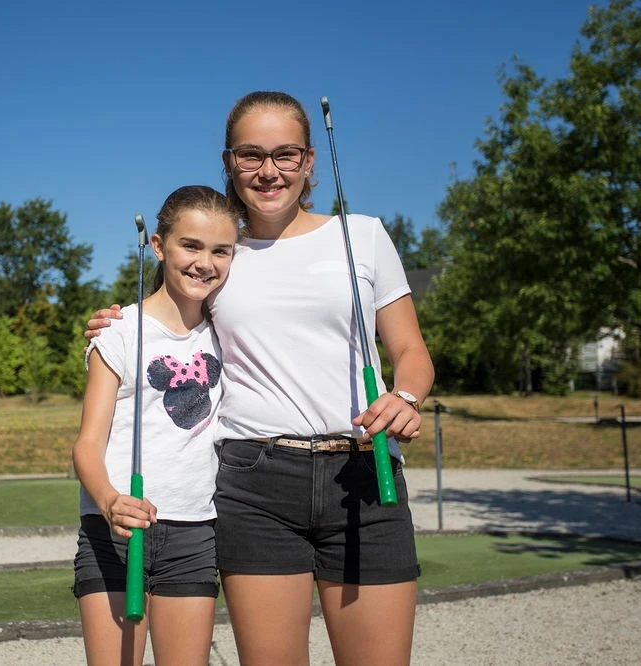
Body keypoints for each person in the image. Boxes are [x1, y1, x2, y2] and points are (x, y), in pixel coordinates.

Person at [85, 91, 435, 665]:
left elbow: (411, 351)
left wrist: (406, 395)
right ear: (228, 162)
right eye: (251, 154)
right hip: (257, 484)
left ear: (310, 161)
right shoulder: (221, 252)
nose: (268, 170)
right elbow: (167, 318)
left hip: (365, 476)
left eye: (285, 154)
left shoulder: (364, 236)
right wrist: (114, 324)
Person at [71, 185, 239, 666]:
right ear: (158, 245)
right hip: (113, 532)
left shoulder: (228, 332)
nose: (204, 262)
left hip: (195, 532)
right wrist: (109, 503)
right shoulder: (118, 331)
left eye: (220, 250)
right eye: (190, 245)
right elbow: (86, 446)